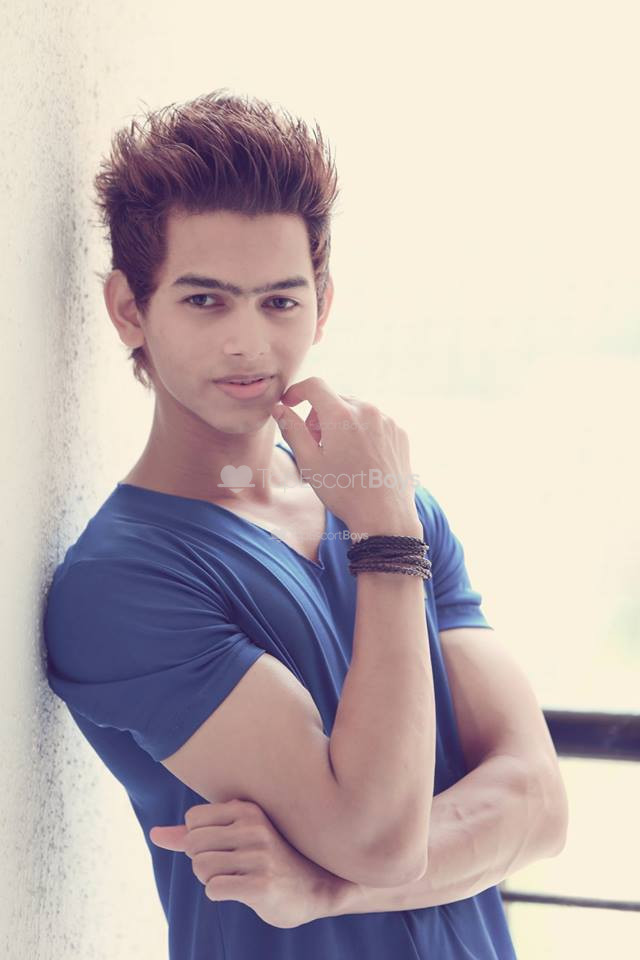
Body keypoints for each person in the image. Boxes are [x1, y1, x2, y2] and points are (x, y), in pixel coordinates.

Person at [43, 89, 535, 959]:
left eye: (279, 301)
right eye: (205, 301)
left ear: (323, 302)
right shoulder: (121, 583)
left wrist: (323, 891)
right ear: (129, 310)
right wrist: (386, 546)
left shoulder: (392, 508)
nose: (248, 343)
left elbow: (535, 801)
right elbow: (378, 839)